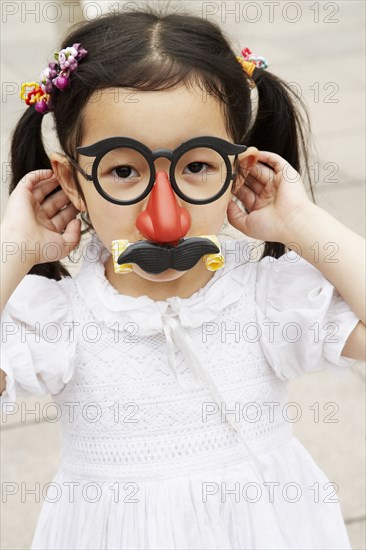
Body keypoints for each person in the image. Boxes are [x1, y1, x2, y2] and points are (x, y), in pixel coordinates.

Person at [1, 5, 365, 550]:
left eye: (198, 165)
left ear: (238, 170)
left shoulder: (266, 297)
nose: (162, 216)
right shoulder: (59, 317)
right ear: (71, 183)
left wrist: (303, 223)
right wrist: (12, 251)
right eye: (123, 171)